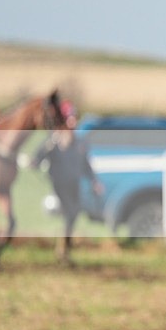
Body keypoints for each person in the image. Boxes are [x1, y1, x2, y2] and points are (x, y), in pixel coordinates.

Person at [32, 100, 103, 263]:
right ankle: (62, 249)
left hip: (74, 184)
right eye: (70, 118)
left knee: (73, 213)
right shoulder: (54, 140)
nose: (73, 121)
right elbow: (38, 157)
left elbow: (86, 165)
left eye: (74, 118)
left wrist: (94, 181)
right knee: (70, 212)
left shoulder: (79, 142)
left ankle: (64, 248)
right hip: (59, 184)